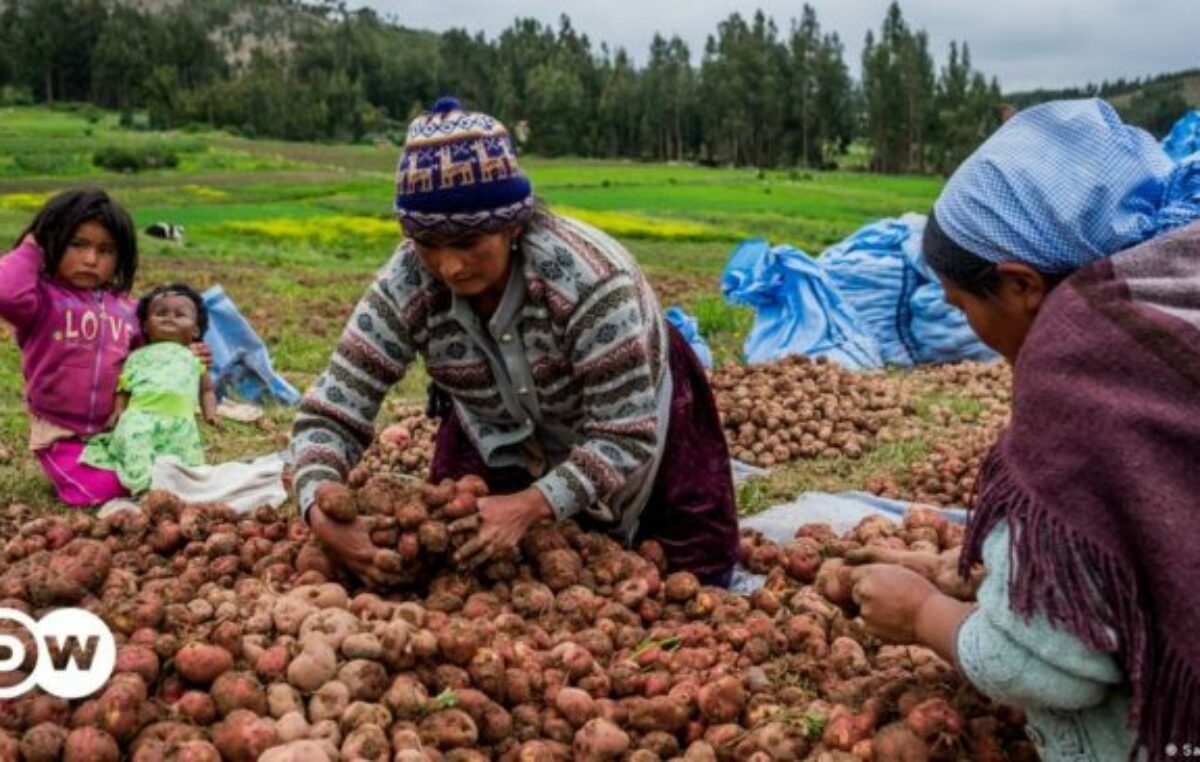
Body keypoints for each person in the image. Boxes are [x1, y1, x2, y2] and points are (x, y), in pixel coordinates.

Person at [849, 99, 1200, 760]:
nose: (971, 334)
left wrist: (923, 615)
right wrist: (997, 577)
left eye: (960, 305)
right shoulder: (1176, 286)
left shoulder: (1081, 366)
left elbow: (1047, 669)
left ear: (1019, 284)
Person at [291, 97, 739, 588]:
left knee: (697, 567)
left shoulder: (588, 282)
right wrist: (319, 508)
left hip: (633, 398)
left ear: (513, 224)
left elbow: (622, 432)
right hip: (496, 421)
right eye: (428, 244)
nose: (449, 267)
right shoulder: (407, 285)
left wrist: (529, 506)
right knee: (459, 560)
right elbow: (332, 410)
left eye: (468, 243)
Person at [0, 189, 141, 506]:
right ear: (55, 240)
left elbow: (148, 357)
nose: (91, 259)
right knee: (105, 490)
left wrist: (188, 352)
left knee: (161, 474)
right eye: (77, 244)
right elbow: (6, 295)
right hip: (62, 435)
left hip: (117, 430)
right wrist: (34, 244)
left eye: (105, 250)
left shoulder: (127, 308)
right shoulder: (40, 299)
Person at [81, 284, 220, 493]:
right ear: (145, 326)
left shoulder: (194, 357)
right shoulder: (137, 356)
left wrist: (211, 413)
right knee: (137, 450)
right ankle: (143, 490)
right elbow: (124, 386)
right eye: (160, 313)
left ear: (196, 329)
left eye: (180, 314)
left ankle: (177, 492)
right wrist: (119, 410)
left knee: (186, 465)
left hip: (180, 423)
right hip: (139, 417)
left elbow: (207, 390)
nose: (169, 317)